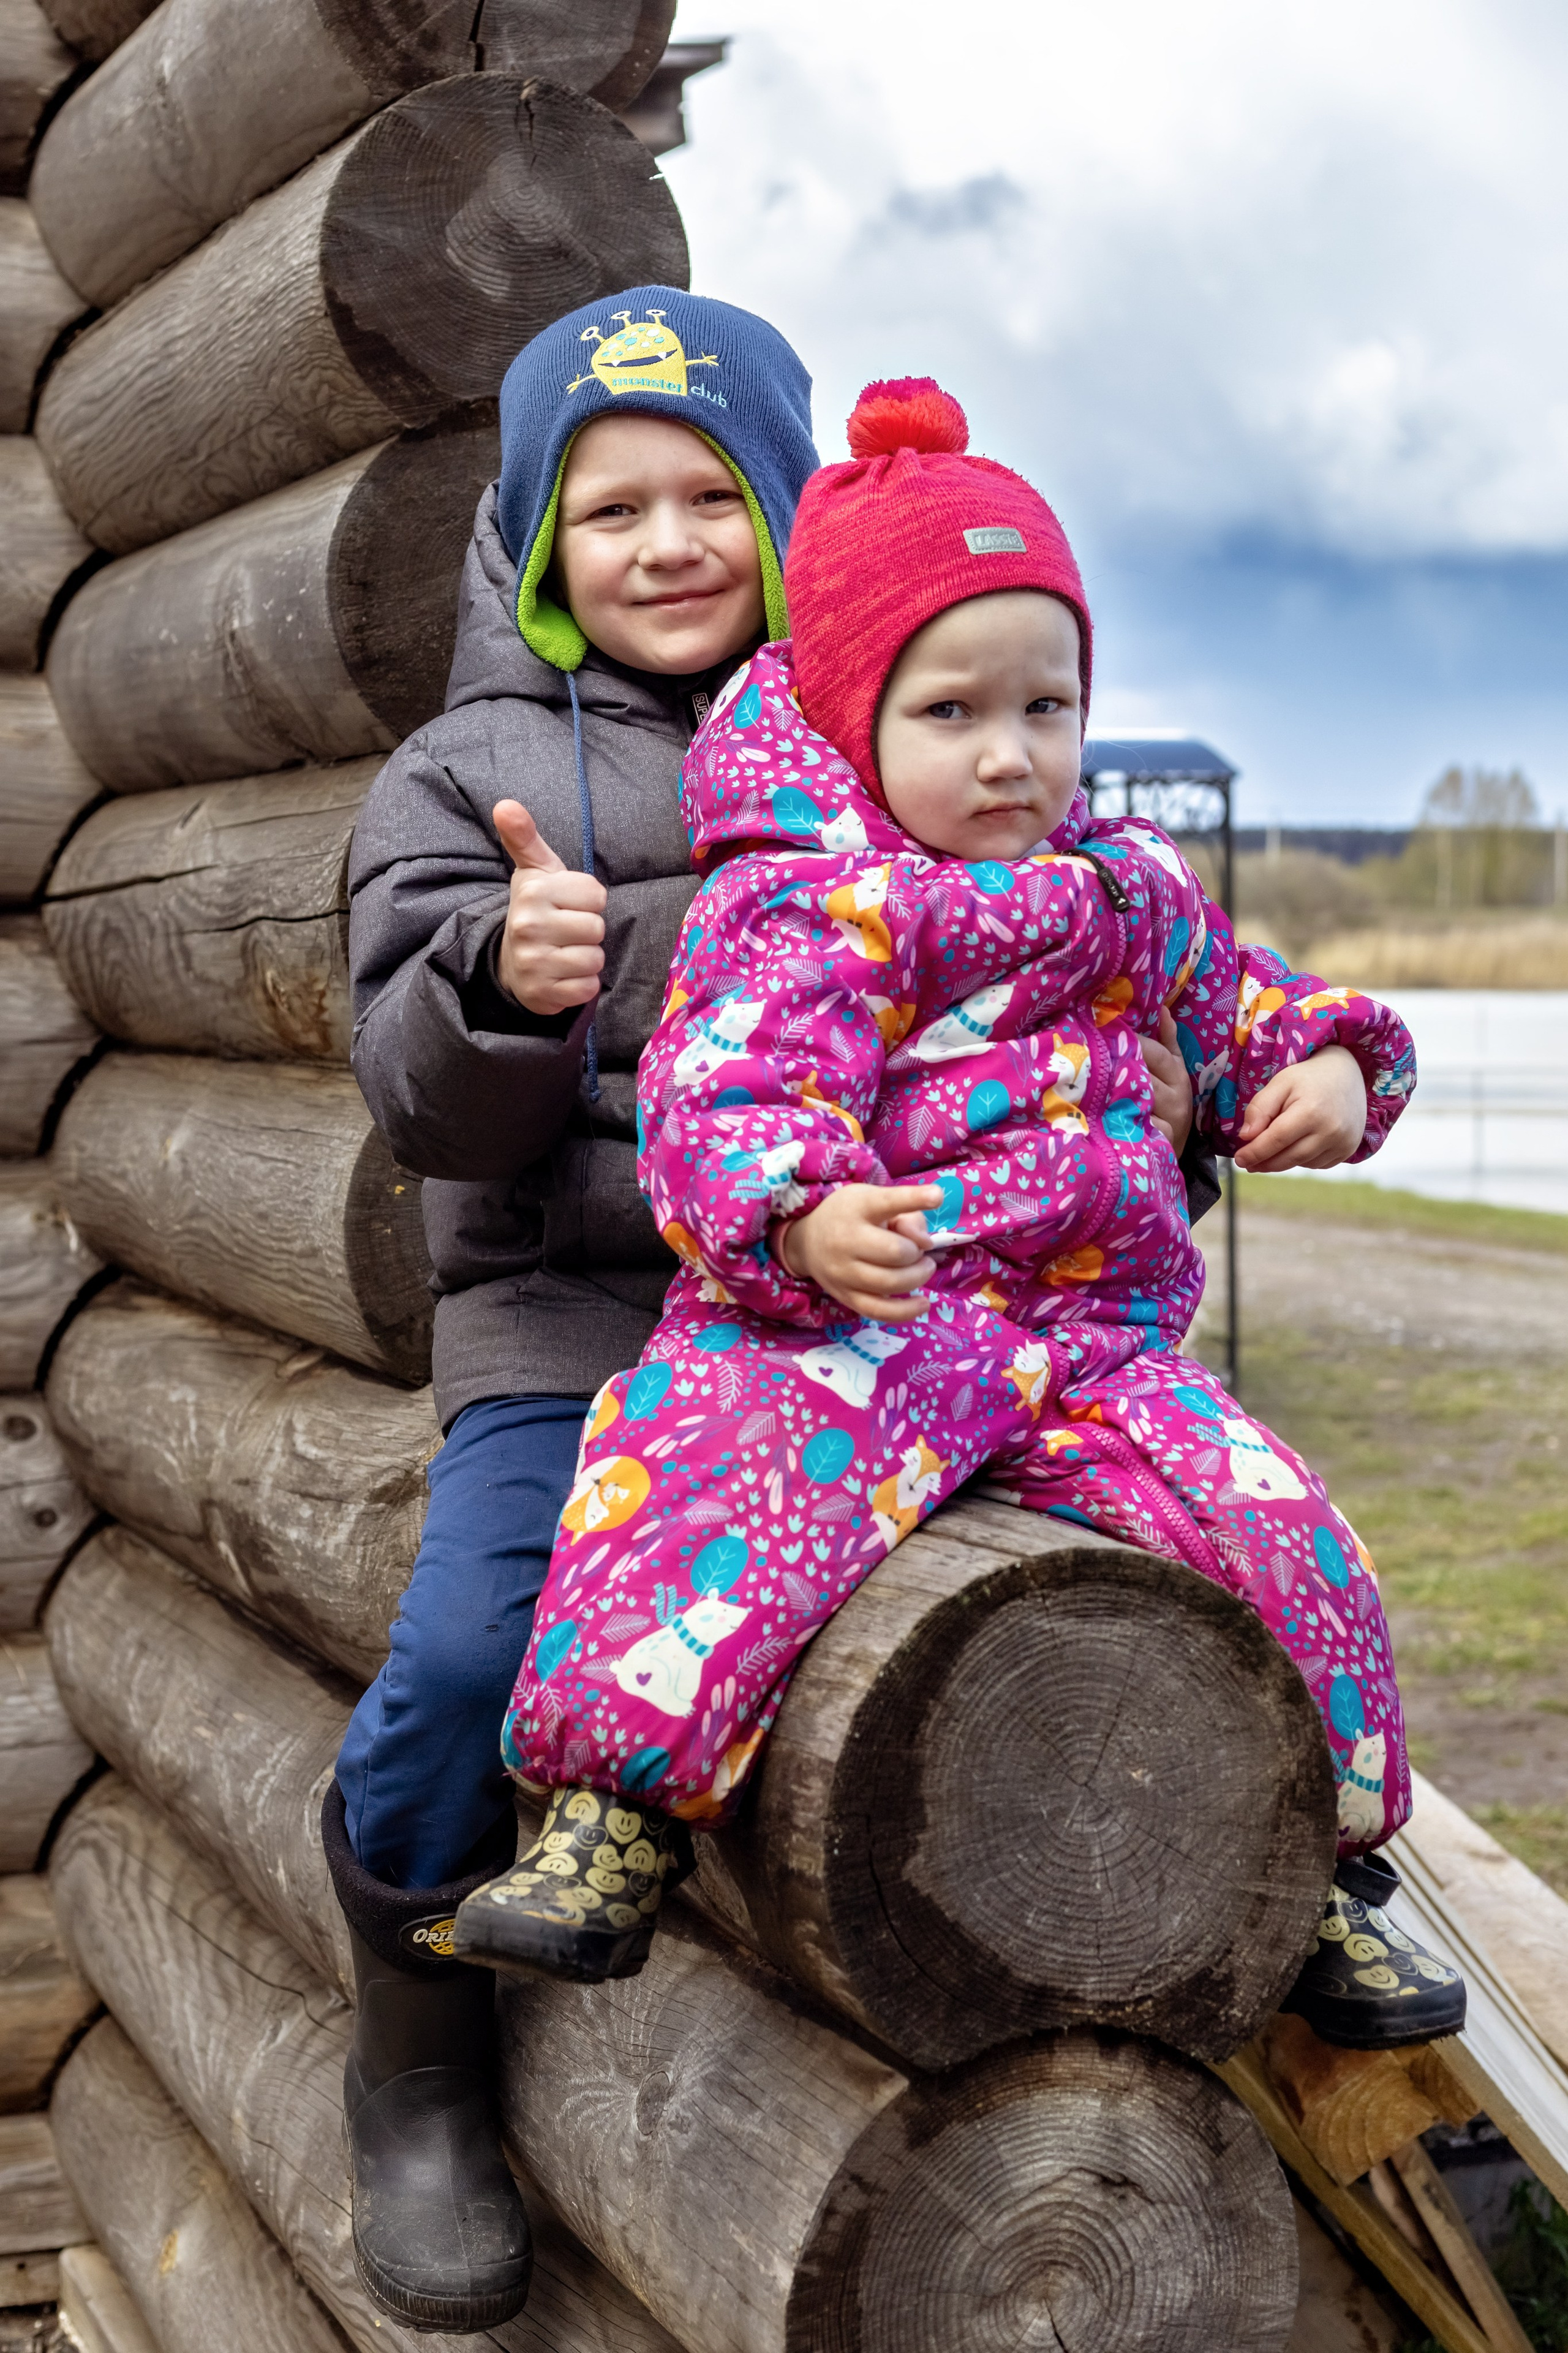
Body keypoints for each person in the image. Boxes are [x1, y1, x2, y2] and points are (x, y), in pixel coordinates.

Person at [454, 377, 1464, 2061]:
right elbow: (718, 1101)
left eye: (1048, 706)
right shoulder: (802, 900)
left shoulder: (1125, 887)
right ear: (857, 716)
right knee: (697, 1486)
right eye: (951, 711)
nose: (1010, 755)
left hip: (1087, 1339)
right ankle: (609, 1813)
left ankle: (1331, 1872)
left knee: (1284, 1533)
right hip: (851, 1325)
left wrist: (1344, 1077)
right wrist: (799, 1222)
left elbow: (1263, 1009)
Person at [320, 286, 820, 2333]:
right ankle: (417, 2055)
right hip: (572, 1315)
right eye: (611, 510)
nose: (670, 543)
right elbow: (421, 1107)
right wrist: (503, 991)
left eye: (715, 494)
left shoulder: (880, 749)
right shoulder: (469, 771)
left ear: (789, 517)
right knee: (460, 1660)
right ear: (535, 542)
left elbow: (1040, 989)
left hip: (831, 1319)